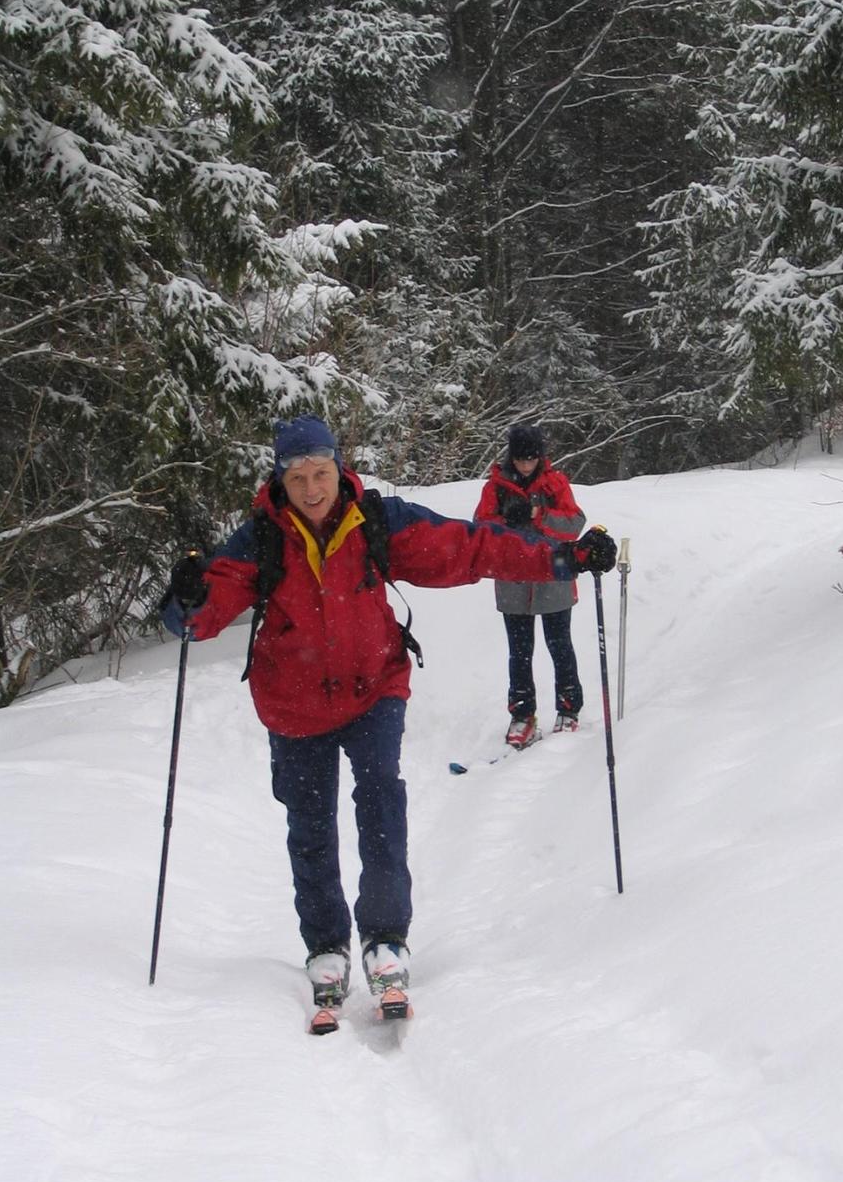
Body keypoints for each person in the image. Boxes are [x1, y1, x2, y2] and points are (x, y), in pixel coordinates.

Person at [161, 414, 615, 1024]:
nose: (312, 488)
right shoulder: (261, 538)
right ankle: (326, 945)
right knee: (310, 825)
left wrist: (564, 558)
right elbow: (199, 614)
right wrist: (187, 601)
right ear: (281, 480)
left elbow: (470, 546)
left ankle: (384, 939)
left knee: (380, 804)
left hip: (373, 688)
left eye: (320, 472)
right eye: (297, 477)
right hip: (294, 703)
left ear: (338, 469)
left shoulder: (376, 521)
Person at [473, 424, 589, 749]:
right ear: (512, 457)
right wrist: (505, 520)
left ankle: (569, 707)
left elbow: (574, 524)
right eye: (521, 459)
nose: (526, 465)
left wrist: (539, 514)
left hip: (554, 575)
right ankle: (523, 714)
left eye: (532, 458)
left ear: (541, 457)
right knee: (520, 653)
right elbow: (480, 528)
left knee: (559, 645)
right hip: (513, 579)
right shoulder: (496, 487)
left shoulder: (556, 483)